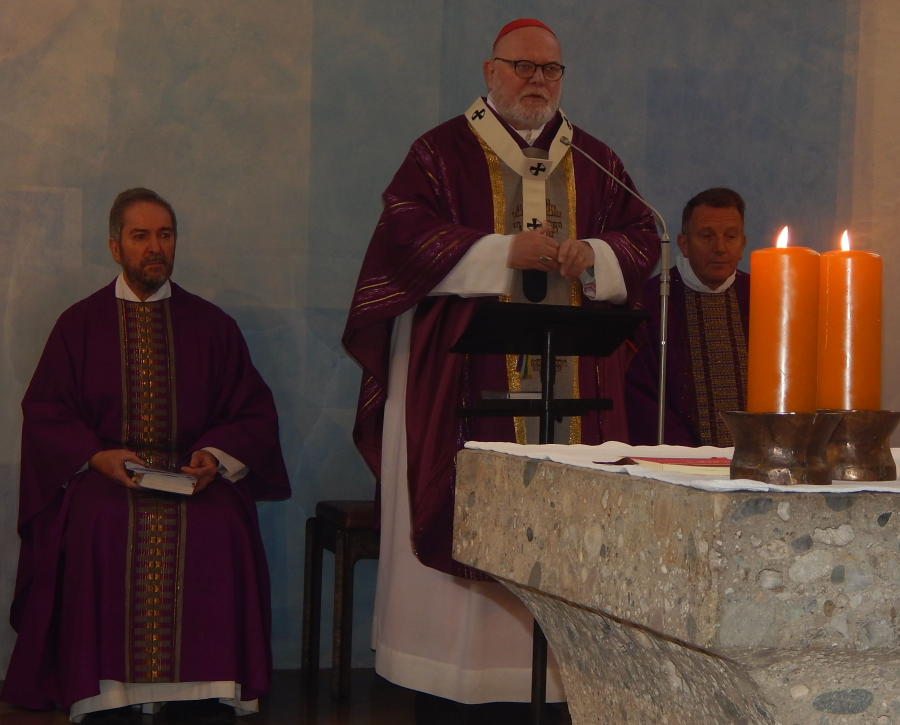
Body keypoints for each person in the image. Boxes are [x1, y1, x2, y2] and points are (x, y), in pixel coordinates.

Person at [341, 18, 659, 719]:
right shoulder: (440, 153)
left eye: (551, 70)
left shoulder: (595, 160)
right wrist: (496, 252)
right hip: (458, 378)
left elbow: (643, 236)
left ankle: (559, 680)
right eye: (523, 67)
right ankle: (456, 678)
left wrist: (595, 256)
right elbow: (403, 235)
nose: (538, 82)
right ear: (490, 74)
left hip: (570, 384)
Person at [1, 188, 291, 724]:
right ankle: (105, 691)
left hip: (190, 472)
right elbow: (46, 411)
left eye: (165, 234)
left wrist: (212, 457)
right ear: (116, 247)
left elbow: (252, 410)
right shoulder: (78, 324)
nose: (154, 247)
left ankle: (208, 685)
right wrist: (94, 456)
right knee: (97, 519)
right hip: (108, 475)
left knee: (222, 520)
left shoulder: (212, 326)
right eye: (140, 236)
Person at [626, 187, 749, 446]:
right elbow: (639, 396)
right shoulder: (651, 300)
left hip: (755, 460)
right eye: (707, 236)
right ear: (684, 244)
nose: (720, 248)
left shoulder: (763, 298)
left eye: (731, 236)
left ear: (742, 244)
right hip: (680, 462)